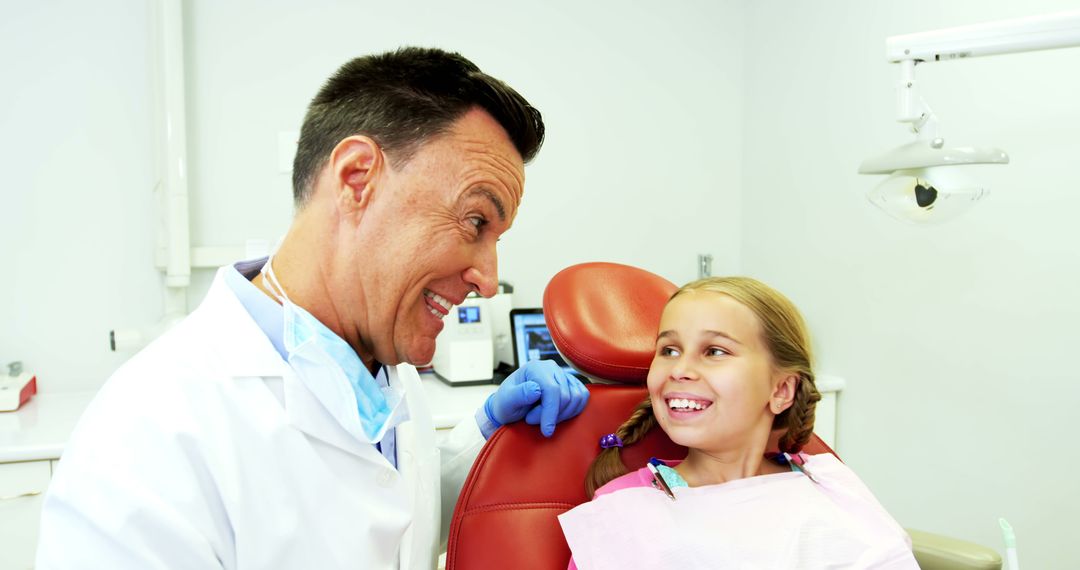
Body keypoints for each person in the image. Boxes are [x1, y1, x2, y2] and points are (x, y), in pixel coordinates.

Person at [36, 47, 588, 570]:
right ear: (357, 179)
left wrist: (486, 432)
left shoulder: (380, 369)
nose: (488, 281)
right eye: (475, 221)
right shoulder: (147, 440)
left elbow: (393, 520)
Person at [559, 277, 917, 569]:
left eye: (715, 351)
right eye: (668, 350)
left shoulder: (829, 484)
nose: (680, 369)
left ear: (781, 389)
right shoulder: (624, 510)